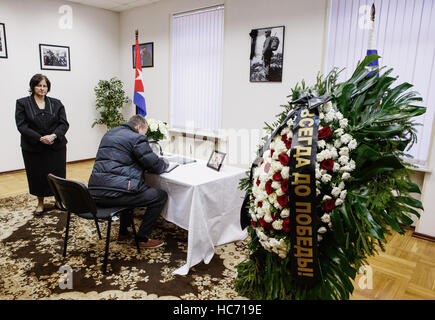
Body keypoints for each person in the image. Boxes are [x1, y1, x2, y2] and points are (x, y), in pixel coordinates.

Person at [88, 115, 169, 248]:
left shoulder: (110, 133)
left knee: (128, 187)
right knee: (159, 196)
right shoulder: (137, 138)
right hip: (114, 195)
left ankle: (123, 232)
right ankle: (142, 238)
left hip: (95, 193)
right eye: (145, 131)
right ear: (139, 127)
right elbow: (155, 165)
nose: (145, 135)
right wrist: (165, 162)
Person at [15, 74, 69, 216]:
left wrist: (53, 135)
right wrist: (40, 138)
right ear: (33, 87)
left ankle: (59, 201)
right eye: (39, 85)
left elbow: (64, 124)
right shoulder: (22, 103)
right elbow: (22, 126)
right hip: (33, 148)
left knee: (57, 175)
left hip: (56, 146)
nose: (42, 88)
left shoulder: (56, 103)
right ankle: (40, 203)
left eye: (45, 86)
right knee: (37, 175)